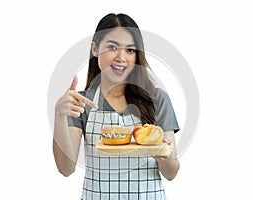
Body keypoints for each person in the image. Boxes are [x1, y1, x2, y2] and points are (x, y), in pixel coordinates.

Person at [53, 13, 180, 200]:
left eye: (130, 50)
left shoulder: (157, 99)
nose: (122, 57)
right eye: (112, 47)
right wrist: (59, 115)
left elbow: (171, 173)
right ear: (95, 49)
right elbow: (66, 168)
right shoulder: (80, 103)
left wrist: (165, 157)